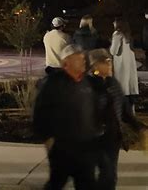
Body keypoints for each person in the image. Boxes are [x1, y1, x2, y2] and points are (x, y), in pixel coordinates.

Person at [33, 44, 98, 189]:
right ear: (65, 63)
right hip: (62, 148)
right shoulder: (53, 83)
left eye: (83, 58)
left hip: (85, 147)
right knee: (56, 182)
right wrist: (48, 139)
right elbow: (40, 112)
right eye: (78, 59)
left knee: (87, 183)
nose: (83, 62)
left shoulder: (86, 82)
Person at [87, 48, 146, 190]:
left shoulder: (113, 83)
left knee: (109, 176)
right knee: (96, 176)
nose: (110, 65)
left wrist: (140, 128)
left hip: (112, 139)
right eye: (106, 62)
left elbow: (125, 112)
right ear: (95, 65)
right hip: (93, 139)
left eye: (110, 61)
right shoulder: (87, 85)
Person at [110, 18, 139, 107]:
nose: (113, 23)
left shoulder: (117, 34)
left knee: (122, 89)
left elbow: (114, 51)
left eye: (114, 22)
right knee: (129, 91)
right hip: (129, 66)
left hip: (121, 66)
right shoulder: (128, 36)